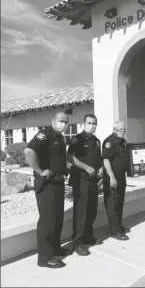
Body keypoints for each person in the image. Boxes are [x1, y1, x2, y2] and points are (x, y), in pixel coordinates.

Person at [24, 112, 71, 269]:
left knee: (58, 218)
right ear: (52, 121)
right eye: (60, 121)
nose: (63, 124)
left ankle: (55, 249)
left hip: (58, 182)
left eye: (65, 122)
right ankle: (44, 258)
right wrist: (39, 170)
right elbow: (28, 152)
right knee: (47, 220)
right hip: (46, 183)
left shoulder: (60, 138)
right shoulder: (44, 135)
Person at [67, 114, 103, 256]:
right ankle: (78, 243)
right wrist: (86, 167)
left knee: (91, 209)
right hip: (81, 179)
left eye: (94, 123)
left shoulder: (97, 141)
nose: (92, 126)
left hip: (93, 180)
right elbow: (70, 157)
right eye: (89, 123)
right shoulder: (77, 139)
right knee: (81, 211)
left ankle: (88, 237)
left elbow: (98, 158)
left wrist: (100, 167)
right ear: (84, 124)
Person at [102, 121, 129, 241]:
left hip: (121, 176)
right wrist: (112, 177)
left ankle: (118, 225)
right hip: (111, 177)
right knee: (112, 204)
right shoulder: (109, 142)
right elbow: (106, 160)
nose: (122, 131)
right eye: (120, 129)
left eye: (124, 129)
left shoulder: (122, 141)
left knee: (119, 202)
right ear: (114, 129)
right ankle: (114, 231)